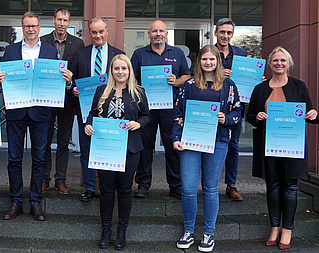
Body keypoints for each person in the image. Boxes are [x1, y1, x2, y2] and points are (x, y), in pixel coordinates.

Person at [0, 11, 73, 221]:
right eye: (27, 26)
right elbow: (2, 84)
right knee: (14, 158)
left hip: (41, 112)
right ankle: (16, 202)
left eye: (34, 26)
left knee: (39, 158)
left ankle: (36, 202)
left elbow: (55, 82)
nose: (31, 29)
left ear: (40, 28)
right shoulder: (10, 51)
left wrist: (67, 81)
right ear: (22, 27)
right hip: (16, 111)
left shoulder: (49, 50)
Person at [247, 46, 318, 250]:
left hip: (292, 145)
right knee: (273, 187)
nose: (279, 64)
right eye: (275, 60)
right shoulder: (260, 89)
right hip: (269, 146)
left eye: (283, 60)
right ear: (270, 63)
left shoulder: (298, 86)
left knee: (290, 187)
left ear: (289, 63)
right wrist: (257, 117)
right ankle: (274, 227)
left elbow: (310, 111)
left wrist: (313, 113)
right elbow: (250, 115)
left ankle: (287, 228)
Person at [172, 45, 241, 252]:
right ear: (198, 62)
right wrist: (176, 137)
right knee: (189, 189)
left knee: (211, 189)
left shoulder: (228, 85)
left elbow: (238, 111)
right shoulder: (190, 85)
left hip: (218, 141)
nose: (208, 63)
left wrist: (225, 118)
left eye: (212, 59)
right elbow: (178, 112)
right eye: (204, 59)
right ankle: (188, 231)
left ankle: (209, 233)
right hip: (190, 142)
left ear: (218, 61)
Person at [84, 54, 150, 250]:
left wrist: (138, 123)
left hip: (130, 149)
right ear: (111, 70)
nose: (120, 72)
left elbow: (147, 116)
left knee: (124, 190)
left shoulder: (138, 92)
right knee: (105, 191)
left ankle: (122, 231)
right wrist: (88, 125)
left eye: (124, 68)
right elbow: (93, 114)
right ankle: (106, 230)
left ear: (129, 70)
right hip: (105, 148)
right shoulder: (101, 90)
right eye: (116, 68)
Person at [131, 20, 191, 199]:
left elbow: (187, 76)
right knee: (145, 147)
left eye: (161, 31)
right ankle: (143, 184)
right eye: (154, 31)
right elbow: (131, 80)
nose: (158, 34)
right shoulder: (139, 54)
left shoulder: (177, 53)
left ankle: (175, 186)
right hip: (146, 108)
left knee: (172, 146)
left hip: (170, 107)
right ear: (149, 34)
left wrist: (177, 81)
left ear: (166, 34)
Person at [70, 17, 124, 202]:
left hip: (112, 111)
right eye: (94, 32)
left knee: (110, 148)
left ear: (107, 31)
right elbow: (73, 80)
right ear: (89, 33)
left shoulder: (119, 55)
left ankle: (109, 187)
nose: (98, 35)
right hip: (86, 110)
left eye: (101, 31)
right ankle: (90, 187)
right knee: (86, 150)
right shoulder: (80, 54)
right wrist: (74, 88)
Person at [40, 8, 84, 195]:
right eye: (59, 19)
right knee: (45, 141)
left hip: (67, 100)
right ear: (53, 20)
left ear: (69, 23)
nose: (62, 23)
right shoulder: (42, 41)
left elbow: (80, 71)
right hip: (46, 99)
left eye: (65, 20)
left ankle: (60, 180)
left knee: (64, 142)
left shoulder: (78, 44)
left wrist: (73, 84)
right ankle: (44, 179)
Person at [214, 18, 247, 201]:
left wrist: (257, 81)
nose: (225, 36)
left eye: (229, 33)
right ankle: (208, 184)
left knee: (233, 146)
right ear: (216, 33)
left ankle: (231, 185)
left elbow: (247, 78)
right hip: (213, 107)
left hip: (234, 107)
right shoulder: (209, 52)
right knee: (210, 145)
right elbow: (198, 74)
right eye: (222, 32)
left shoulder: (241, 53)